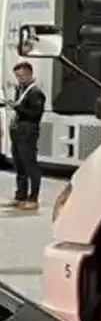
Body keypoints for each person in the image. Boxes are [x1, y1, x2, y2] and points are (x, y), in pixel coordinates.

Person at [2, 61, 45, 211]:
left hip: (28, 133)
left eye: (21, 76)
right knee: (19, 165)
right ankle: (20, 195)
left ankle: (33, 198)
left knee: (30, 165)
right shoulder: (20, 90)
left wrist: (17, 107)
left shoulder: (36, 93)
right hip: (17, 132)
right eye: (17, 76)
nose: (19, 79)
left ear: (29, 74)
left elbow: (35, 114)